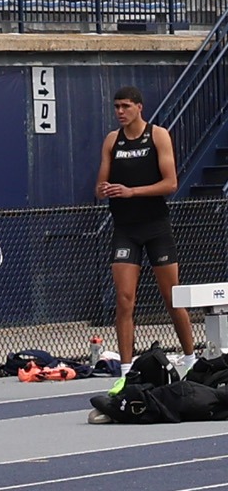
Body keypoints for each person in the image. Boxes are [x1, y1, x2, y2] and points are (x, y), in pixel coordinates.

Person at [97, 85, 196, 367]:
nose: (120, 112)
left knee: (172, 297)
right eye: (116, 107)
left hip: (156, 227)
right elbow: (100, 184)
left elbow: (171, 184)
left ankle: (190, 360)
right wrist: (105, 189)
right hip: (125, 229)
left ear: (139, 107)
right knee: (125, 299)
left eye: (125, 106)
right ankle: (126, 371)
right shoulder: (111, 141)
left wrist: (132, 191)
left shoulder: (158, 135)